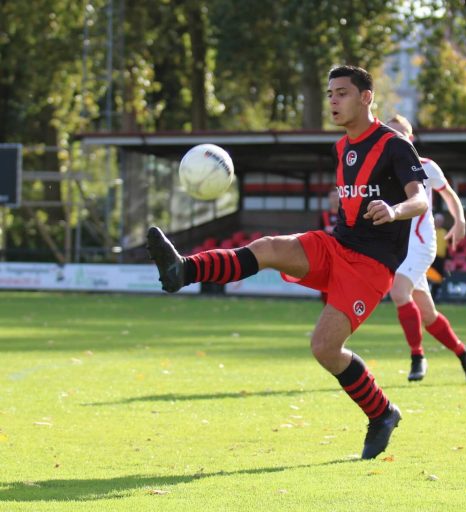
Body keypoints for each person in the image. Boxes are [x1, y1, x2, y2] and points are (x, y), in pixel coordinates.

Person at [146, 66, 428, 459]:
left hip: (370, 265)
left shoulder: (395, 145)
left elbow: (422, 200)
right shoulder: (342, 148)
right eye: (330, 93)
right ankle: (182, 270)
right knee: (269, 247)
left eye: (342, 93)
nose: (333, 100)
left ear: (366, 97)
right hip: (336, 244)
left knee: (324, 348)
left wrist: (395, 210)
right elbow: (354, 195)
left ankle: (382, 413)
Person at [386, 114, 466, 384]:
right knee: (427, 314)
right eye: (389, 133)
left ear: (410, 138)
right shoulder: (383, 171)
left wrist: (459, 220)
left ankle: (417, 357)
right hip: (399, 248)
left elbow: (449, 195)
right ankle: (463, 352)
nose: (395, 137)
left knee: (399, 292)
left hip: (422, 244)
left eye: (400, 133)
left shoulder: (427, 167)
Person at [428, 213, 448, 299]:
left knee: (439, 278)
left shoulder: (445, 232)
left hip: (441, 259)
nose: (439, 223)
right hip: (431, 258)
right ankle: (428, 295)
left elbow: (447, 247)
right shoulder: (430, 230)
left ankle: (435, 296)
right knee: (429, 277)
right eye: (438, 221)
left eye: (441, 221)